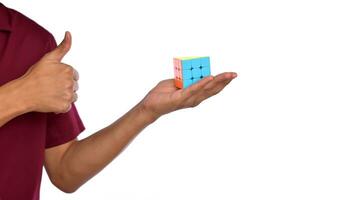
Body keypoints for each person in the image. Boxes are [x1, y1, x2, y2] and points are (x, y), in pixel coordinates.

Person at [0, 3, 237, 200]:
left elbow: (65, 171)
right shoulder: (30, 74)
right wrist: (21, 95)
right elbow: (24, 94)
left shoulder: (32, 42)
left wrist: (146, 111)